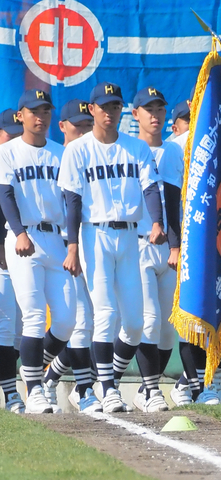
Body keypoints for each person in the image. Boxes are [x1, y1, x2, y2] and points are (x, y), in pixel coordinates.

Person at [58, 82, 166, 413]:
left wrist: (158, 221)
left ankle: (107, 382)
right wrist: (73, 246)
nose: (110, 112)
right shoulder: (78, 150)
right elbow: (72, 202)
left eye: (115, 106)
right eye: (104, 106)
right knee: (104, 313)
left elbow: (150, 188)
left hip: (130, 235)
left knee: (134, 322)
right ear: (92, 110)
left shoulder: (135, 147)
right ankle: (105, 389)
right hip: (94, 235)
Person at [0, 89, 77, 414]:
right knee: (32, 317)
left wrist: (72, 243)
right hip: (24, 238)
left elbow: (73, 201)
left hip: (55, 239)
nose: (40, 116)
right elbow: (5, 194)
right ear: (21, 116)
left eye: (45, 110)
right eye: (33, 110)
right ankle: (34, 391)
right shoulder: (8, 152)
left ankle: (30, 368)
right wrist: (18, 231)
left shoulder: (61, 153)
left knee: (66, 320)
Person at [42, 98, 98, 413]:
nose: (83, 131)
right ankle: (85, 389)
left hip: (93, 242)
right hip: (63, 245)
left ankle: (49, 376)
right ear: (62, 126)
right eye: (78, 126)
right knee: (78, 320)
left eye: (87, 125)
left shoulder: (92, 156)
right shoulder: (53, 156)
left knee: (96, 320)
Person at [130, 87, 183, 412]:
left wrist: (176, 246)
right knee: (148, 321)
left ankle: (144, 388)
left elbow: (174, 203)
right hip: (136, 243)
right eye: (148, 109)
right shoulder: (129, 148)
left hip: (167, 249)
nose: (155, 115)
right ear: (134, 114)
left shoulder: (174, 152)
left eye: (160, 109)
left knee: (166, 330)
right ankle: (152, 392)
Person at [0, 107, 24, 413]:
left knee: (17, 332)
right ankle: (11, 395)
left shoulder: (20, 167)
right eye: (10, 134)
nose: (16, 139)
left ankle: (10, 391)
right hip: (3, 257)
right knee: (6, 328)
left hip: (18, 255)